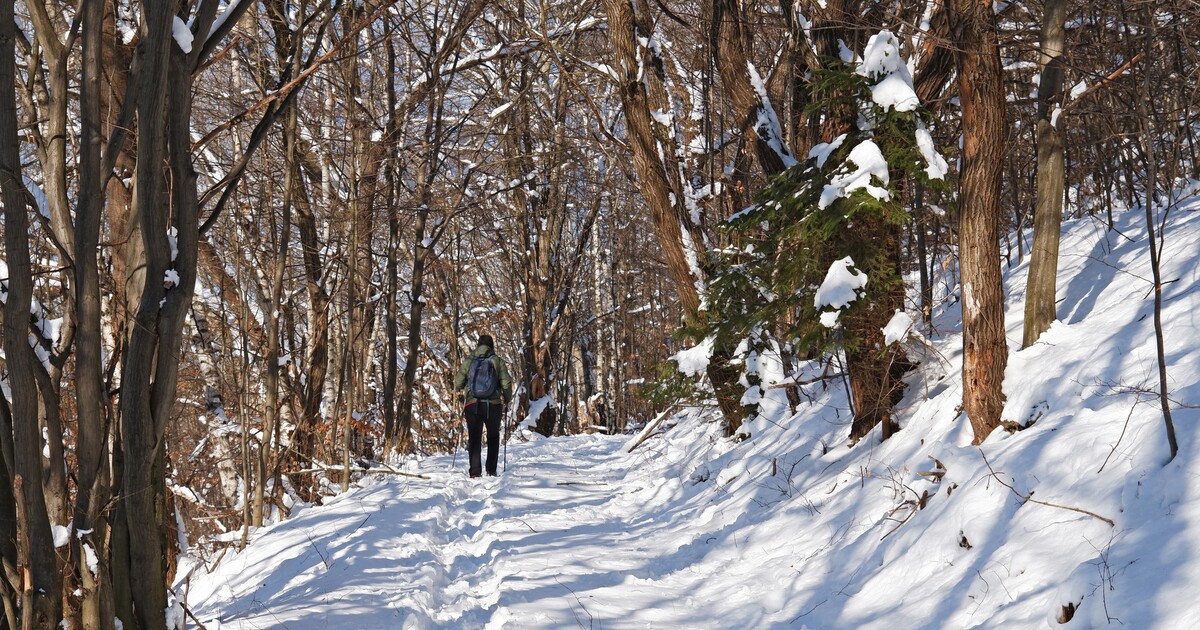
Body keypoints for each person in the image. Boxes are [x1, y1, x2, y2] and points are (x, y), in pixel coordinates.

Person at [454, 334, 512, 477]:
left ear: (478, 345)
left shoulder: (469, 361)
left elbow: (458, 383)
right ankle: (491, 470)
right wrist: (507, 398)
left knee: (474, 437)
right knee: (493, 436)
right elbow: (506, 382)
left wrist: (460, 392)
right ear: (492, 346)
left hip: (472, 404)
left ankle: (475, 472)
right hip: (493, 405)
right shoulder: (497, 361)